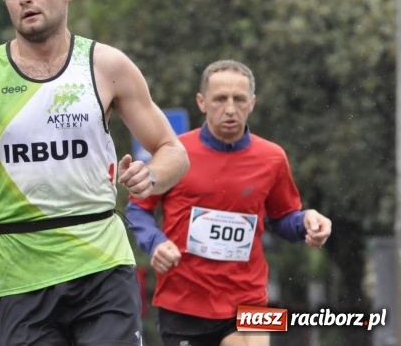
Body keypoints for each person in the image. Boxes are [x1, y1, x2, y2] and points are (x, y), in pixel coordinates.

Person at [0, 0, 190, 346]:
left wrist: (151, 174)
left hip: (100, 261)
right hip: (20, 269)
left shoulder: (107, 65)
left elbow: (174, 151)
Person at [126, 59, 333, 346]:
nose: (231, 109)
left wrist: (307, 222)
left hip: (250, 297)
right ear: (202, 102)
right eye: (220, 99)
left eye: (239, 99)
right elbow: (138, 208)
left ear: (253, 103)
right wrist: (156, 242)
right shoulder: (175, 153)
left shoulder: (272, 158)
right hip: (184, 301)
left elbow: (283, 218)